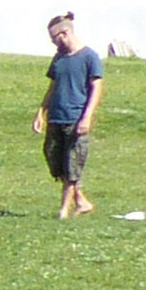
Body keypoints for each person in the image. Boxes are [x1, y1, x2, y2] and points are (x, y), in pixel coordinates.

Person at [34, 13, 103, 220]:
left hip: (75, 119)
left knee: (72, 166)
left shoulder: (89, 57)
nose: (53, 42)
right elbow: (52, 87)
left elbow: (97, 87)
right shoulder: (59, 58)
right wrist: (40, 112)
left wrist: (87, 117)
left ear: (64, 34)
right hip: (56, 117)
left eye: (54, 38)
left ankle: (64, 210)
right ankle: (81, 201)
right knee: (55, 161)